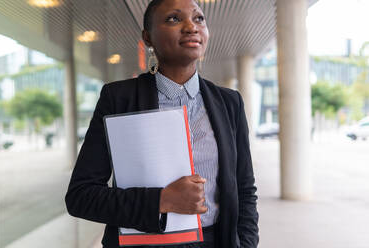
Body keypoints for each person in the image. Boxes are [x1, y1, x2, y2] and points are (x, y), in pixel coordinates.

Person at [65, 0, 259, 247]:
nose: (191, 27)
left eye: (199, 18)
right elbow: (81, 196)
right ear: (148, 38)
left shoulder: (230, 103)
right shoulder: (119, 99)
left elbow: (244, 188)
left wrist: (247, 243)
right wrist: (161, 200)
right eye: (174, 19)